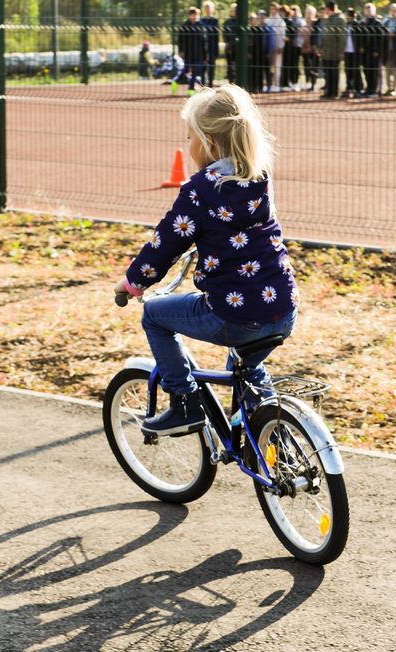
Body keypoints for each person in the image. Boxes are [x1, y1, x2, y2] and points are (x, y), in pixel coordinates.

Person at [113, 84, 298, 437]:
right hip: (283, 307)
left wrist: (132, 283)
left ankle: (184, 402)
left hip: (235, 314)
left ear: (209, 142)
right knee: (246, 362)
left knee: (155, 316)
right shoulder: (260, 178)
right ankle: (266, 432)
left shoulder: (201, 187)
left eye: (190, 137)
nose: (189, 146)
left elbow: (165, 244)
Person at [318, 1, 346, 99]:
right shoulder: (328, 19)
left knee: (334, 72)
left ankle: (334, 93)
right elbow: (323, 35)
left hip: (334, 51)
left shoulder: (340, 20)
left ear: (331, 9)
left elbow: (342, 37)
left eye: (327, 9)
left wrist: (340, 51)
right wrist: (320, 47)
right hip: (326, 51)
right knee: (327, 72)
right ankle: (328, 91)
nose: (325, 11)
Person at [178, 7, 208, 96]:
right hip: (188, 53)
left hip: (198, 54)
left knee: (196, 72)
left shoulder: (201, 27)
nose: (195, 16)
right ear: (190, 15)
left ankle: (191, 88)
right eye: (193, 14)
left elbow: (204, 42)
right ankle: (180, 82)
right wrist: (181, 51)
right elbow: (181, 41)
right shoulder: (184, 27)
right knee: (187, 72)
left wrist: (205, 56)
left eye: (196, 15)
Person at [360, 3, 383, 97]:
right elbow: (360, 37)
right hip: (365, 52)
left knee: (373, 71)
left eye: (370, 10)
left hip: (373, 52)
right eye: (367, 10)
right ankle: (368, 88)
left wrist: (377, 50)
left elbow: (380, 39)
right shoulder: (363, 23)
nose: (369, 12)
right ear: (365, 11)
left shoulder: (377, 24)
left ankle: (373, 90)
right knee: (366, 70)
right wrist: (361, 47)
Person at [266, 3, 287, 92]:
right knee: (268, 66)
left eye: (274, 9)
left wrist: (280, 46)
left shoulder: (281, 21)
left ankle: (276, 84)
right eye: (271, 9)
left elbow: (282, 35)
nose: (272, 11)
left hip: (277, 47)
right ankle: (268, 84)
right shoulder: (268, 20)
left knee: (277, 66)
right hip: (269, 48)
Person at [342, 8, 363, 98]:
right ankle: (349, 88)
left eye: (346, 15)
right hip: (347, 51)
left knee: (356, 70)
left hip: (355, 51)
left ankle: (358, 89)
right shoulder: (345, 25)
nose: (345, 17)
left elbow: (362, 38)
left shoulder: (357, 25)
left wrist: (361, 47)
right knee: (348, 70)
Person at [200, 1, 220, 88]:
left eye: (209, 9)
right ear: (204, 10)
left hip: (212, 47)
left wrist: (216, 51)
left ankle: (210, 85)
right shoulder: (202, 21)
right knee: (202, 67)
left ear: (212, 10)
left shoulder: (215, 21)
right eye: (206, 9)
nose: (208, 10)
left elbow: (217, 37)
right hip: (203, 48)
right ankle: (203, 86)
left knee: (211, 68)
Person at [300, 5, 320, 91]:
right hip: (304, 49)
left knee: (314, 67)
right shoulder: (303, 23)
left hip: (313, 49)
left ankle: (313, 84)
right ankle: (307, 82)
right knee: (306, 66)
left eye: (311, 12)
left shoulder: (316, 23)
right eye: (307, 12)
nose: (309, 14)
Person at [223, 4, 239, 84]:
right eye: (233, 10)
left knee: (237, 67)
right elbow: (224, 34)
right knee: (230, 66)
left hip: (237, 48)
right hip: (229, 47)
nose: (234, 12)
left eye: (235, 11)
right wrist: (227, 44)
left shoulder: (240, 21)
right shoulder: (227, 22)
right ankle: (230, 82)